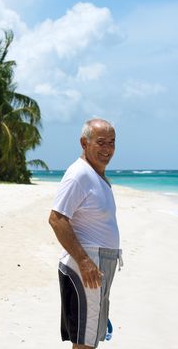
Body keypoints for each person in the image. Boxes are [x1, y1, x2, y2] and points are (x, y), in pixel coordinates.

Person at [49, 118, 122, 349]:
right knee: (84, 343)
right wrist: (84, 261)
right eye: (100, 142)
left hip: (98, 266)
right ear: (84, 142)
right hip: (87, 267)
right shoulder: (78, 174)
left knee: (89, 340)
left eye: (111, 142)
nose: (107, 148)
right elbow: (57, 218)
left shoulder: (97, 176)